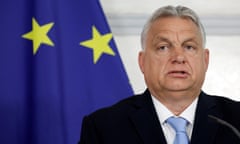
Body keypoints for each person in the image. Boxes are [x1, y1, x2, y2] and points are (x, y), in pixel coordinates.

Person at [78, 5, 240, 144]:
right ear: (142, 62)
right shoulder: (103, 128)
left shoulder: (235, 123)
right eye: (163, 47)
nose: (178, 57)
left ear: (205, 60)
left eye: (189, 47)